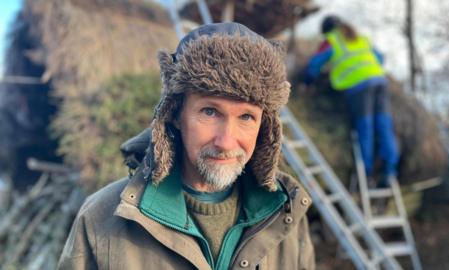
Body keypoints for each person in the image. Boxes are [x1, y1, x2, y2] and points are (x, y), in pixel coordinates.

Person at [58, 22, 315, 270]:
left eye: (246, 117)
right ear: (176, 114)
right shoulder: (101, 220)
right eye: (210, 112)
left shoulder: (287, 215)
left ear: (264, 125)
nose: (226, 141)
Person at [304, 15, 399, 187]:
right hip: (379, 81)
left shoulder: (331, 40)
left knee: (365, 130)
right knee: (385, 127)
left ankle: (367, 174)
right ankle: (390, 172)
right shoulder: (361, 37)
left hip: (358, 88)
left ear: (326, 31)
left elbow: (315, 63)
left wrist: (308, 81)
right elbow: (380, 58)